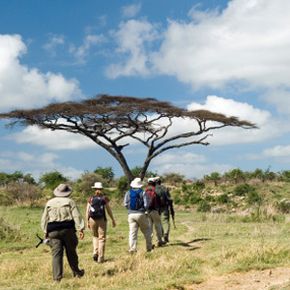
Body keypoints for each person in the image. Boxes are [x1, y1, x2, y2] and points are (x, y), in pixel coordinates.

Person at [41, 183, 85, 282]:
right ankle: (77, 273)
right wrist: (80, 229)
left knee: (56, 254)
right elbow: (76, 216)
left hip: (53, 231)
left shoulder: (49, 202)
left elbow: (44, 218)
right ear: (67, 193)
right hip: (67, 230)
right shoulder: (70, 202)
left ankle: (57, 278)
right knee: (71, 252)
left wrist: (45, 231)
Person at [86, 182, 116, 263]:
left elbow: (87, 210)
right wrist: (112, 219)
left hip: (92, 219)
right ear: (101, 189)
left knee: (95, 236)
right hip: (101, 219)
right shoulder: (104, 198)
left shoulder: (91, 198)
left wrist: (87, 221)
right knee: (101, 238)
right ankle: (101, 258)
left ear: (94, 189)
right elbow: (108, 210)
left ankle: (95, 252)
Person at [123, 177, 152, 253]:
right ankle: (149, 247)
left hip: (131, 215)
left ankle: (132, 248)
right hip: (141, 214)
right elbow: (146, 204)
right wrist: (145, 210)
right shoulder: (143, 192)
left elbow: (125, 204)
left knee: (132, 232)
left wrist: (130, 209)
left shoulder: (128, 192)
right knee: (147, 230)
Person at [145, 177, 165, 247]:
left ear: (148, 182)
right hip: (155, 210)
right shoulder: (155, 190)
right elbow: (160, 201)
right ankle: (159, 241)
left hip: (147, 211)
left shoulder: (145, 190)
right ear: (154, 182)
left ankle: (149, 243)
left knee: (149, 228)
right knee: (158, 226)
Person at [154, 176, 174, 243]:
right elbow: (169, 199)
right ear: (160, 181)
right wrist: (171, 208)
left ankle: (160, 237)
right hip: (165, 207)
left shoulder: (153, 189)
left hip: (156, 208)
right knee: (165, 221)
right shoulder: (165, 188)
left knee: (158, 223)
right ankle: (166, 234)